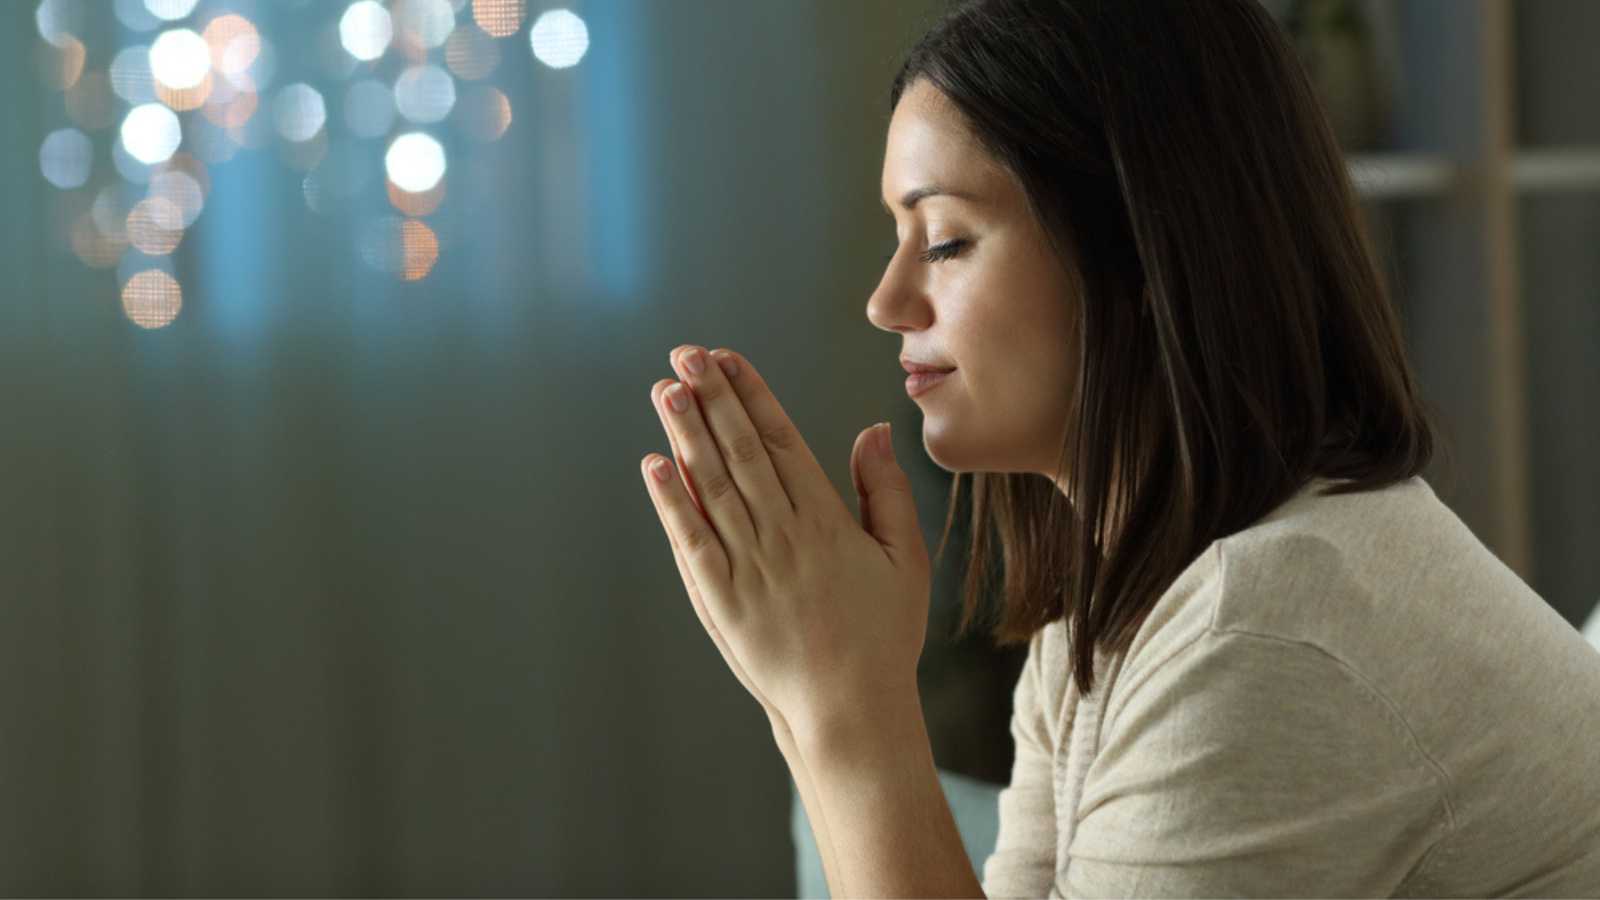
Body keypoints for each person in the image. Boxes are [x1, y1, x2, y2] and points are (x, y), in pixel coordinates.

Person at [865, 0, 1600, 895]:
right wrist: (808, 691)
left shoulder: (1257, 636)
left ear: (1137, 248)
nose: (887, 301)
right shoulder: (1110, 612)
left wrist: (845, 708)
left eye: (944, 240)